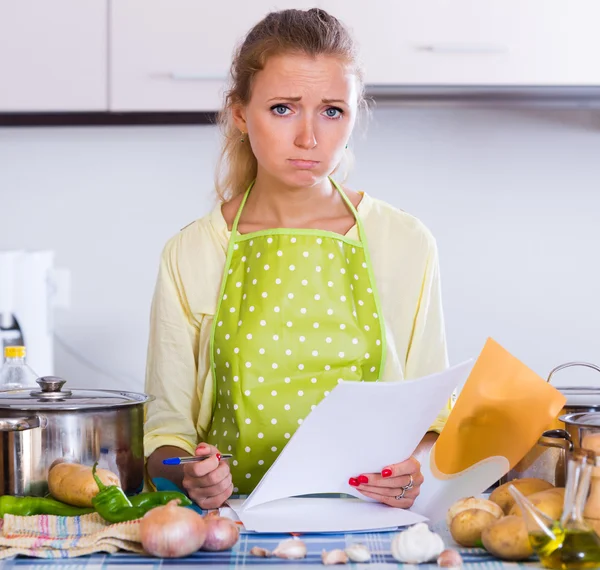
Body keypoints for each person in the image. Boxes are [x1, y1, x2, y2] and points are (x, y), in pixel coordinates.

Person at [144, 8, 451, 510]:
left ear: (353, 117)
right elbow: (165, 437)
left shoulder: (406, 241)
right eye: (283, 108)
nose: (310, 138)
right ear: (241, 114)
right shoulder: (194, 251)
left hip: (371, 525)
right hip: (236, 524)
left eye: (332, 111)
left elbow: (433, 418)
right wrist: (190, 475)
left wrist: (413, 467)